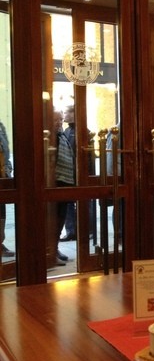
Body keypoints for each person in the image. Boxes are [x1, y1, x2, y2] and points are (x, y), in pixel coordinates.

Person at [54, 107, 76, 264]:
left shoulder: (62, 136)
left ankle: (54, 248)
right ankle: (50, 252)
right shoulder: (49, 136)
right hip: (54, 183)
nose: (59, 123)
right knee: (53, 218)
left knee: (60, 217)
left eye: (60, 120)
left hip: (64, 182)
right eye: (55, 120)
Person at [0, 120, 13, 258]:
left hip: (2, 175)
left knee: (1, 213)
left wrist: (8, 168)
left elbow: (6, 152)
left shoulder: (1, 126)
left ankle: (0, 243)